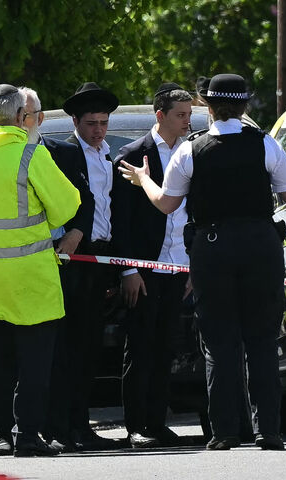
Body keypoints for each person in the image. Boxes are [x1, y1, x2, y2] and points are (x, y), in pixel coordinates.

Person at [119, 73, 286, 450]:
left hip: (212, 248)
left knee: (218, 344)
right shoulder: (263, 143)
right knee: (262, 342)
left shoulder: (191, 149)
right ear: (245, 106)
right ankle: (269, 430)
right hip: (260, 247)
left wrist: (142, 180)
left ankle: (224, 432)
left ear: (208, 107)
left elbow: (167, 203)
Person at [0, 84, 80, 458]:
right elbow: (66, 208)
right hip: (28, 279)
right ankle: (27, 437)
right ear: (19, 117)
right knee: (32, 364)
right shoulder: (31, 154)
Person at [114, 83, 192, 448]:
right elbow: (122, 221)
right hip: (144, 268)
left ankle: (157, 421)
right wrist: (129, 270)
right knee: (140, 345)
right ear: (160, 116)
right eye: (180, 116)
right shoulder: (133, 155)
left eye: (190, 115)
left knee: (166, 347)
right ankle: (136, 425)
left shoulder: (193, 152)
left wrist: (191, 264)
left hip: (179, 265)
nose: (187, 122)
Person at [58, 82, 123, 450]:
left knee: (87, 348)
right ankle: (64, 427)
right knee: (68, 348)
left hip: (101, 260)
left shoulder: (107, 156)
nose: (98, 130)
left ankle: (80, 425)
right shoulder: (64, 154)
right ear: (76, 123)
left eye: (103, 122)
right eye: (91, 123)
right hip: (73, 262)